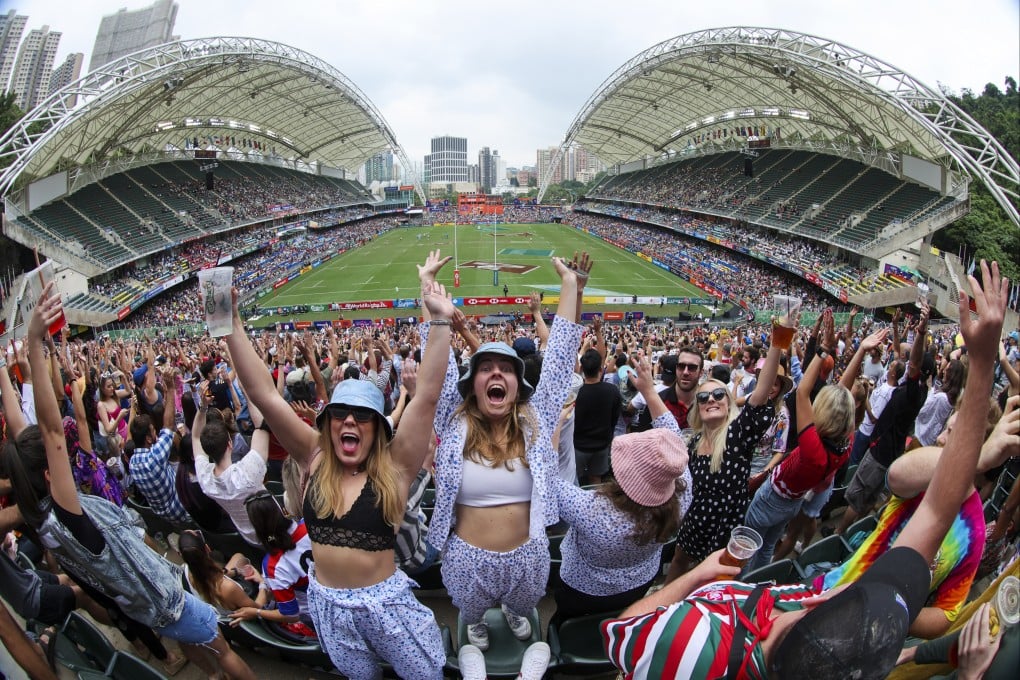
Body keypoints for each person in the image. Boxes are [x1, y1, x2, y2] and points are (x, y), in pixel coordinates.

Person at [600, 260, 1008, 680]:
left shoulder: (694, 648)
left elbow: (620, 631)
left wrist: (699, 576)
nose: (840, 595)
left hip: (724, 543)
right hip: (713, 535)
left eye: (716, 395)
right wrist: (982, 367)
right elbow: (939, 509)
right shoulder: (822, 600)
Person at [4, 283, 255, 680]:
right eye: (60, 459)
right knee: (221, 648)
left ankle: (210, 674)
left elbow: (26, 439)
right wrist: (35, 339)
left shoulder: (39, 517)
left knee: (192, 641)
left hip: (141, 603)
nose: (66, 455)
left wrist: (6, 370)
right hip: (161, 594)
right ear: (50, 475)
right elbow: (51, 431)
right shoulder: (69, 514)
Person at [224, 251, 455, 679]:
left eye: (363, 415)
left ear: (377, 428)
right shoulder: (313, 455)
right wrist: (230, 322)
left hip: (387, 604)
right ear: (327, 424)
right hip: (328, 605)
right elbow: (265, 397)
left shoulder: (396, 467)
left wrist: (439, 322)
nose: (350, 421)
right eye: (340, 414)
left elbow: (426, 395)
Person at [427, 252, 587, 662]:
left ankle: (516, 613)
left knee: (522, 605)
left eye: (506, 369)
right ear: (473, 383)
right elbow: (439, 369)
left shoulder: (535, 422)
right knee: (472, 610)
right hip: (465, 557)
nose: (496, 374)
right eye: (486, 368)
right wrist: (429, 295)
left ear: (517, 384)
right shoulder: (453, 422)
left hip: (528, 555)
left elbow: (558, 360)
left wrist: (570, 286)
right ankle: (477, 621)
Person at [552, 356, 693, 622]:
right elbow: (674, 442)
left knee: (566, 623)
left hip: (582, 587)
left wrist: (557, 424)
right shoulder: (681, 493)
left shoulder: (592, 509)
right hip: (639, 581)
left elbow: (545, 479)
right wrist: (649, 391)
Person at [743, 323, 887, 572]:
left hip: (772, 497)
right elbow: (843, 392)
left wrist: (823, 350)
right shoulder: (845, 440)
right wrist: (861, 351)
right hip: (793, 502)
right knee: (766, 548)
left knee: (748, 545)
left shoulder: (814, 450)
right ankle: (752, 583)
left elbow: (802, 393)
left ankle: (736, 586)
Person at [664, 321, 784, 582]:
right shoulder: (693, 442)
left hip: (724, 528)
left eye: (719, 394)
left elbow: (762, 392)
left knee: (712, 579)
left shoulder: (737, 435)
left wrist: (777, 344)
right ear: (698, 408)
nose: (711, 400)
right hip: (694, 519)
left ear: (728, 404)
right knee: (679, 561)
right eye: (704, 398)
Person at [228, 491, 315, 638]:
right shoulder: (311, 524)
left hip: (317, 614)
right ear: (282, 510)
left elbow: (291, 615)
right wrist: (264, 583)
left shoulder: (273, 566)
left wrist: (256, 612)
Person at [192, 395, 271, 545]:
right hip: (273, 530)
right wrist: (249, 395)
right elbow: (261, 426)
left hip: (249, 536)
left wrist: (202, 407)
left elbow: (195, 437)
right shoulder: (247, 471)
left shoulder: (205, 479)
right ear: (230, 444)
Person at [178, 529, 270, 620]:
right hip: (242, 603)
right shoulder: (229, 588)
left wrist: (234, 572)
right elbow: (257, 609)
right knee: (268, 577)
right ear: (207, 549)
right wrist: (263, 582)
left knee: (238, 557)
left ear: (180, 555)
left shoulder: (185, 571)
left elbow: (209, 577)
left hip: (219, 604)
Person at [572, 348, 621, 485]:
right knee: (596, 481)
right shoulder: (612, 391)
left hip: (579, 446)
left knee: (575, 480)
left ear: (582, 368)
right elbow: (614, 418)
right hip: (601, 445)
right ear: (600, 369)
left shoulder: (575, 394)